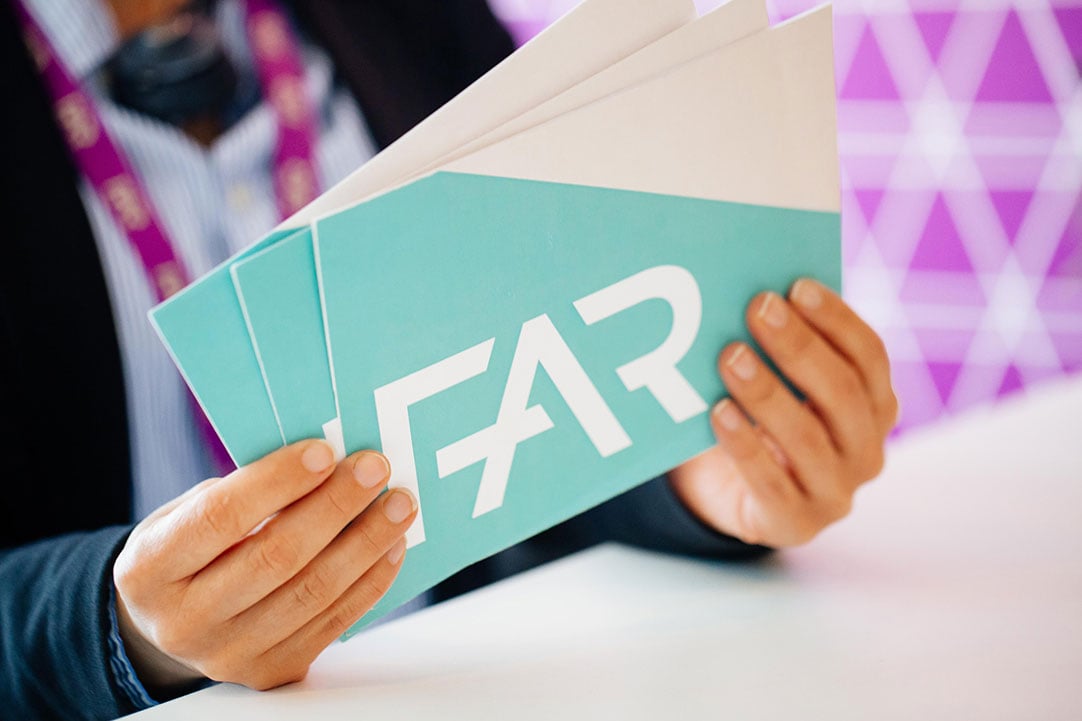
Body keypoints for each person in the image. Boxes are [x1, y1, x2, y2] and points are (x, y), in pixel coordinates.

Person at [0, 1, 899, 719]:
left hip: (465, 682)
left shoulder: (408, 18)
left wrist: (690, 471)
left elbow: (532, 359)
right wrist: (113, 630)